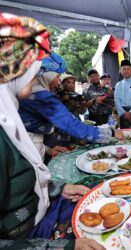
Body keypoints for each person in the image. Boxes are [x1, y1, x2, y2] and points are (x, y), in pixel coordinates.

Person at [0, 12, 104, 249]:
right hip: (31, 234)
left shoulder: (7, 113)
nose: (36, 77)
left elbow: (21, 180)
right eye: (33, 70)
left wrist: (59, 189)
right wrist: (65, 247)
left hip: (40, 213)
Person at [18, 69, 112, 159]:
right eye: (57, 77)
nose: (58, 81)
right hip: (32, 152)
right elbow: (69, 124)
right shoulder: (43, 96)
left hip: (39, 148)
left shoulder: (43, 94)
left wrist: (47, 150)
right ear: (47, 76)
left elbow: (81, 111)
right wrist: (111, 133)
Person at [114, 60, 131, 128]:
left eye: (128, 69)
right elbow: (116, 100)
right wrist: (123, 113)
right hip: (123, 113)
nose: (126, 71)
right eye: (124, 69)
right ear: (121, 71)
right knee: (125, 135)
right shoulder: (118, 84)